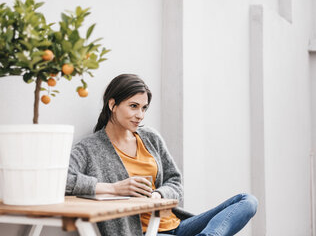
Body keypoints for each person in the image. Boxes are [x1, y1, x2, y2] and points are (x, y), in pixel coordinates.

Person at [66, 74, 258, 236]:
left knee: (247, 201)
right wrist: (114, 188)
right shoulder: (89, 147)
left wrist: (159, 194)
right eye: (133, 106)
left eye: (144, 108)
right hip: (143, 231)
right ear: (112, 105)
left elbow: (175, 181)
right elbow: (62, 180)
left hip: (177, 225)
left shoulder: (150, 137)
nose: (140, 115)